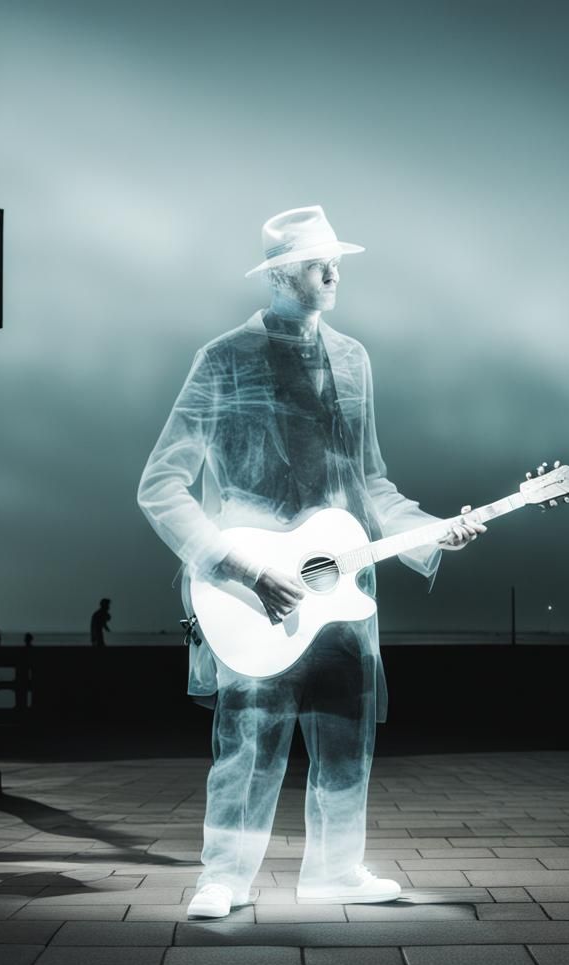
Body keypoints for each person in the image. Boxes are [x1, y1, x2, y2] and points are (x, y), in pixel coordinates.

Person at [137, 205, 484, 919]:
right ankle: (225, 875)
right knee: (249, 735)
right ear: (280, 273)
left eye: (337, 260)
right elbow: (161, 484)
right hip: (254, 588)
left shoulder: (355, 360)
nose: (333, 272)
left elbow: (371, 482)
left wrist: (429, 531)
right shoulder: (222, 359)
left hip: (343, 588)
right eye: (317, 261)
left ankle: (336, 869)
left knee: (344, 729)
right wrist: (237, 568)